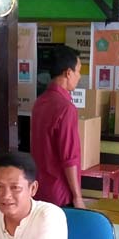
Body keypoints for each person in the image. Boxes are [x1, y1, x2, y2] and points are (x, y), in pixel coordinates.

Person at [30, 46, 85, 209]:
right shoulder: (66, 108)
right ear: (68, 73)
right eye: (78, 71)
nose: (79, 76)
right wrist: (77, 197)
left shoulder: (39, 103)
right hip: (60, 192)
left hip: (40, 188)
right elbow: (69, 158)